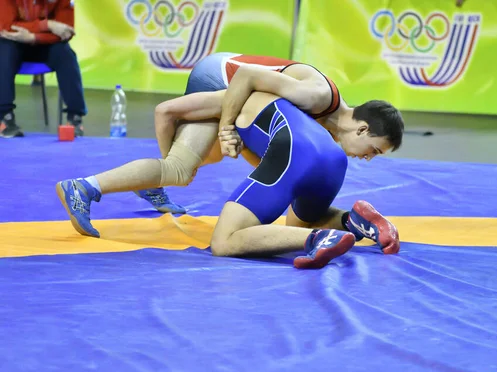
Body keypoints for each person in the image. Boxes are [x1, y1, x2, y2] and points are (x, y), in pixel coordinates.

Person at [57, 87, 402, 268]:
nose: (369, 158)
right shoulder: (302, 104)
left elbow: (166, 110)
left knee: (222, 240)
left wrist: (172, 159)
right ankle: (353, 221)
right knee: (301, 219)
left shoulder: (235, 96)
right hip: (329, 157)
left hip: (294, 150)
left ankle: (318, 240)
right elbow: (266, 156)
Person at [133, 52, 394, 214]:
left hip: (241, 93)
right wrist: (226, 129)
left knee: (211, 157)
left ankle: (155, 180)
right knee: (186, 163)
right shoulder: (317, 97)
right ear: (362, 129)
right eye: (375, 150)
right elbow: (246, 75)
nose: (369, 158)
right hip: (222, 75)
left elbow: (267, 158)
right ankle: (154, 179)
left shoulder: (328, 131)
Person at [0, 0, 86, 138]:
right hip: (13, 42)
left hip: (43, 43)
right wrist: (47, 25)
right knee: (3, 50)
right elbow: (5, 27)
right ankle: (5, 118)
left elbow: (66, 32)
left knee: (65, 53)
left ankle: (75, 118)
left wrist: (34, 37)